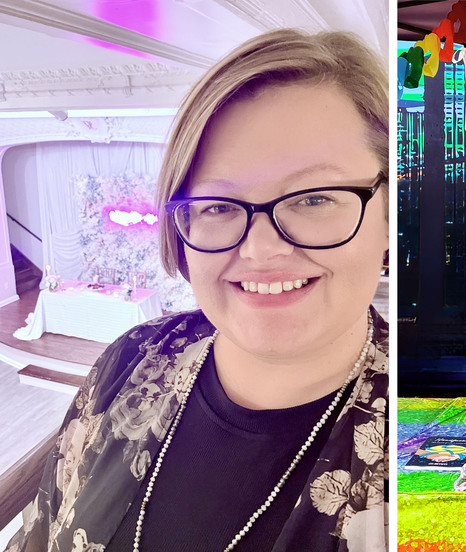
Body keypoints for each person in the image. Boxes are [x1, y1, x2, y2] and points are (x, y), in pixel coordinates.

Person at [7, 29, 389, 552]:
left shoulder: (419, 446)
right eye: (216, 205)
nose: (260, 250)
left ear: (390, 211)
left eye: (315, 198)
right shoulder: (130, 363)